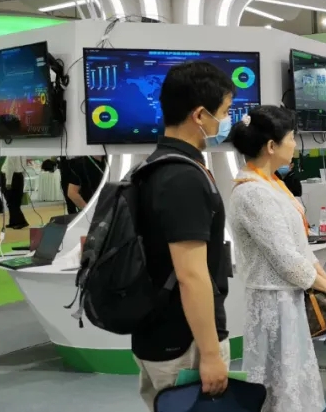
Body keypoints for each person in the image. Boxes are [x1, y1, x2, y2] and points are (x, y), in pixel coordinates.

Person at [131, 62, 236, 411]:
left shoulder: (153, 166)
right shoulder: (183, 177)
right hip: (184, 343)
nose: (226, 121)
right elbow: (191, 275)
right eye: (225, 111)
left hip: (155, 331)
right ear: (200, 115)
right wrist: (211, 354)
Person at [228, 106, 326, 412]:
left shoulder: (273, 184)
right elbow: (285, 258)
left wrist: (323, 278)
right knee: (279, 386)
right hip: (272, 303)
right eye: (291, 137)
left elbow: (300, 247)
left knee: (295, 382)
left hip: (290, 299)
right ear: (271, 146)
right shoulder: (252, 194)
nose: (295, 143)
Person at [2, 156, 27, 229]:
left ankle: (20, 222)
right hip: (19, 176)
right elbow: (24, 165)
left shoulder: (11, 152)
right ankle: (13, 221)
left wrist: (8, 182)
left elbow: (10, 166)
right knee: (15, 201)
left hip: (10, 177)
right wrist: (23, 178)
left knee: (11, 201)